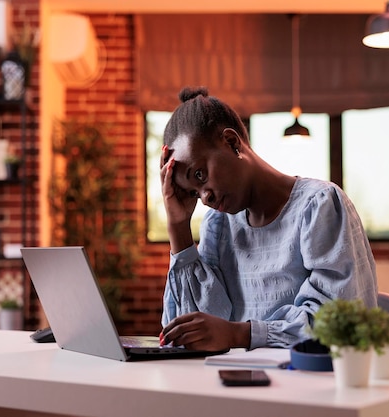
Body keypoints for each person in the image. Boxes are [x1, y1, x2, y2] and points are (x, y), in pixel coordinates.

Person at [159, 86, 377, 352]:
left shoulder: (317, 206)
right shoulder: (219, 225)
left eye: (201, 176)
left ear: (231, 142)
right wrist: (178, 227)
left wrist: (238, 334)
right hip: (234, 383)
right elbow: (192, 331)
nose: (205, 198)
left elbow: (340, 324)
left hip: (310, 385)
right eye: (193, 193)